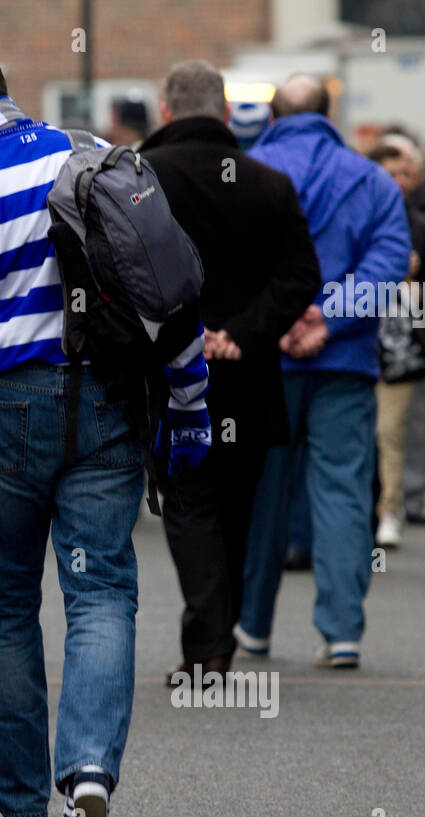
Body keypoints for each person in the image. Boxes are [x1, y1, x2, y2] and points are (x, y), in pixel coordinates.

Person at [0, 42, 210, 817]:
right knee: (101, 588)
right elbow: (167, 291)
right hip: (109, 398)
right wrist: (188, 409)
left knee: (4, 599)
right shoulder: (102, 159)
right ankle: (91, 776)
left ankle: (22, 800)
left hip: (6, 408)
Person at [136, 61, 320, 684]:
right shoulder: (269, 182)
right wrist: (240, 333)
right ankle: (218, 639)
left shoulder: (143, 178)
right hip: (248, 375)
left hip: (170, 373)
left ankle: (207, 645)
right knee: (237, 509)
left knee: (189, 505)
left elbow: (123, 275)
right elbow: (300, 275)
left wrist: (187, 332)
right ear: (223, 112)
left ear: (166, 109)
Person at [235, 74, 411, 669]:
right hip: (344, 356)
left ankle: (252, 628)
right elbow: (388, 260)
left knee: (264, 494)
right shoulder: (371, 177)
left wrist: (276, 319)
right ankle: (342, 632)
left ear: (274, 113)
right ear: (329, 111)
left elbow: (226, 261)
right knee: (342, 489)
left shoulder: (245, 170)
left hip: (264, 361)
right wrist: (328, 316)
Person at [367, 141, 425, 549]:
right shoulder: (355, 219)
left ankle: (390, 510)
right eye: (388, 174)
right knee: (361, 433)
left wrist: (412, 280)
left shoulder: (423, 228)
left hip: (400, 341)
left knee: (389, 430)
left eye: (404, 174)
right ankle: (368, 505)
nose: (397, 182)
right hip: (355, 338)